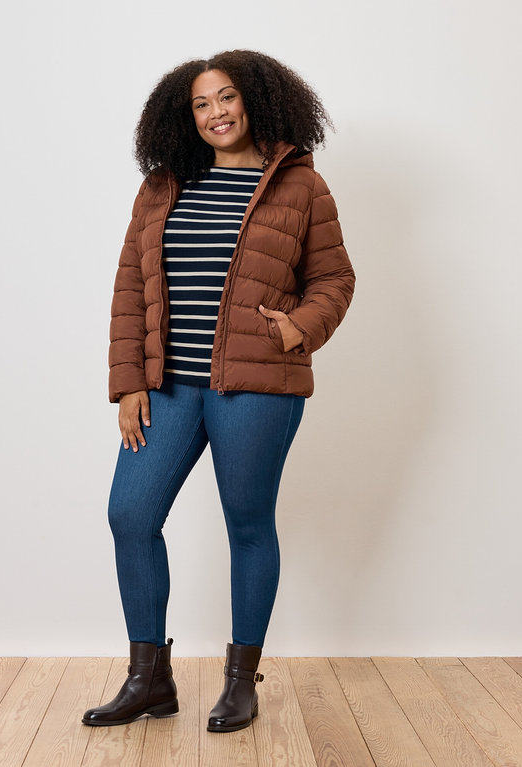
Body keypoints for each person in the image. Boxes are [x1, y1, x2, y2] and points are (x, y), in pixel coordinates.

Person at [82, 49, 355, 733]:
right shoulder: (162, 187)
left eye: (226, 98)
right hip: (169, 385)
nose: (215, 114)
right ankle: (149, 678)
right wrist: (127, 386)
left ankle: (241, 680)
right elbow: (128, 290)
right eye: (201, 104)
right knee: (130, 515)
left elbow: (335, 280)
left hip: (257, 385)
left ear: (257, 101)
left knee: (248, 523)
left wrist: (299, 328)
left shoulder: (299, 188)